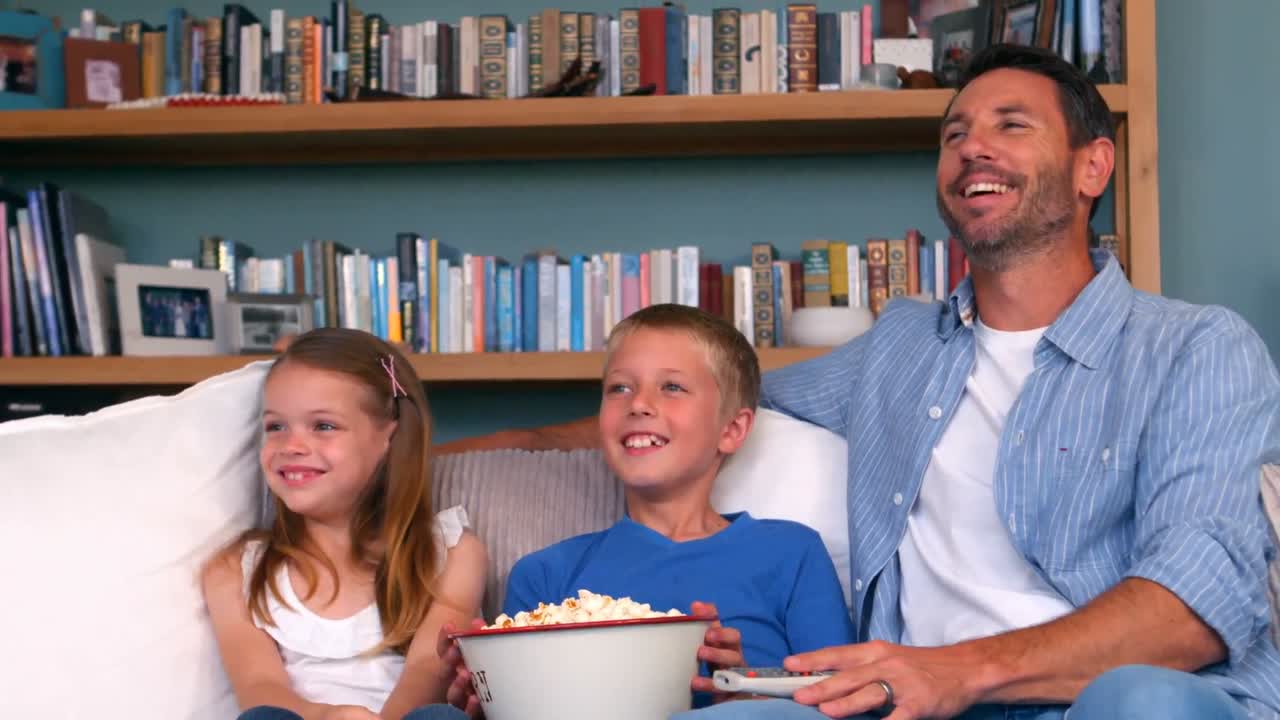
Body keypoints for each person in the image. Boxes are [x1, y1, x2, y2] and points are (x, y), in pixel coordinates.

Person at [446, 44, 1280, 720]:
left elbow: (1191, 610)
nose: (972, 148)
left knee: (1141, 703)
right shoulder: (899, 348)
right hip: (911, 708)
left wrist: (957, 671)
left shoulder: (1196, 350)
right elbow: (698, 408)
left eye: (1009, 126)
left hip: (1098, 698)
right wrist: (466, 450)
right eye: (954, 134)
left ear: (1094, 167)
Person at [444, 304, 855, 713]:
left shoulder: (790, 552)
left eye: (672, 387)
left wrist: (748, 690)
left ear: (731, 429)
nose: (638, 404)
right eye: (619, 388)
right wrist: (489, 698)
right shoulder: (545, 574)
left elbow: (844, 698)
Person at [202, 328, 486, 720]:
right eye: (275, 426)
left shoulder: (452, 553)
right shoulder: (236, 571)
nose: (292, 445)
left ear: (390, 435)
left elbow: (427, 670)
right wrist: (328, 717)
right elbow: (259, 686)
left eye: (323, 426)